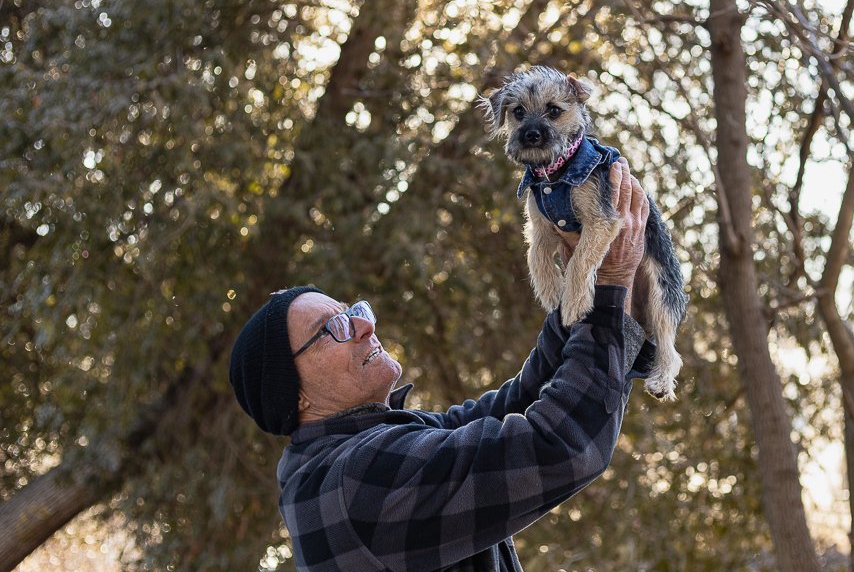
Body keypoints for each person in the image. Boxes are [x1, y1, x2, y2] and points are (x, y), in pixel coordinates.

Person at [229, 159, 657, 571]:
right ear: (295, 393)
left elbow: (516, 405)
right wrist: (610, 285)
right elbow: (558, 444)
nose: (364, 324)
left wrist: (583, 285)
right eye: (333, 327)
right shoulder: (357, 480)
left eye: (352, 310)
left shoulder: (355, 455)